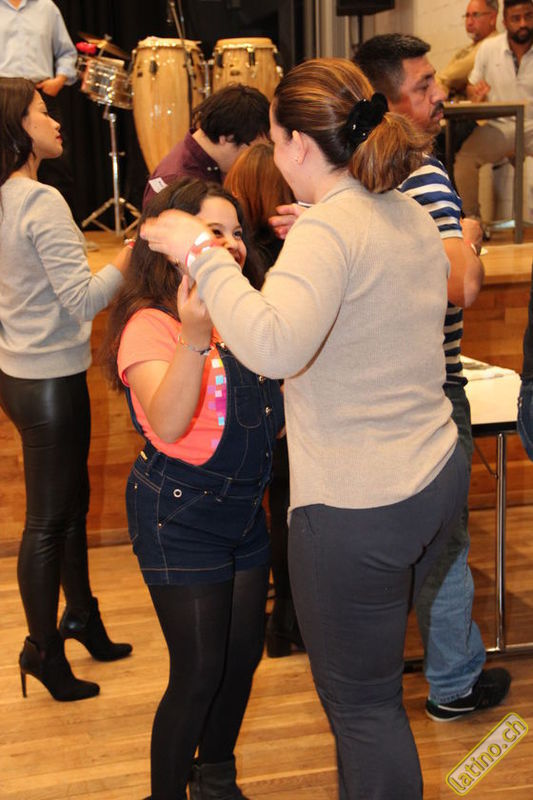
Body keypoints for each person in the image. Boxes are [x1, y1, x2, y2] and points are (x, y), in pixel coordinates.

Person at [140, 57, 471, 800]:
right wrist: (315, 237)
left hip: (362, 504)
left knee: (364, 709)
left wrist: (201, 252)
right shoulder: (400, 210)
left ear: (293, 143)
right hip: (432, 474)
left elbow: (272, 346)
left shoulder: (331, 229)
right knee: (370, 699)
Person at [103, 178, 284, 800]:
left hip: (245, 512)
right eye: (211, 232)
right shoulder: (149, 325)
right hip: (178, 514)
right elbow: (171, 422)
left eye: (235, 232)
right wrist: (194, 334)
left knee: (241, 659)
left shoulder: (249, 315)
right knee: (200, 670)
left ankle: (215, 779)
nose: (229, 244)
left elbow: (272, 417)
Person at [355, 32, 511, 722]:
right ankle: (453, 682)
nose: (439, 93)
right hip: (430, 386)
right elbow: (459, 287)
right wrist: (470, 239)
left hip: (375, 385)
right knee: (444, 541)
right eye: (422, 86)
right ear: (386, 102)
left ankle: (379, 680)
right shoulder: (422, 175)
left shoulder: (351, 176)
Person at [0, 77, 132, 702]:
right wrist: (129, 256)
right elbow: (81, 300)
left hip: (19, 377)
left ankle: (81, 616)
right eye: (41, 111)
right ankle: (42, 650)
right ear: (17, 128)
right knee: (49, 522)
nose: (55, 121)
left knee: (71, 505)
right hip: (50, 381)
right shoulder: (39, 200)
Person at [225, 143, 303, 657]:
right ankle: (290, 623)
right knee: (291, 512)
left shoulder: (236, 256)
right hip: (287, 400)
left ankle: (277, 627)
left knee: (273, 513)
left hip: (250, 402)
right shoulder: (288, 255)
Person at [454, 0, 533, 219]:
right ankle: (473, 221)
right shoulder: (489, 48)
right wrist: (475, 94)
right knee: (465, 160)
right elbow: (472, 85)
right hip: (500, 127)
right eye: (516, 18)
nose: (523, 23)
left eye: (528, 16)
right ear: (504, 21)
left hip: (531, 126)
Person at [0, 0, 78, 216]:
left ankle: (64, 223)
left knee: (58, 164)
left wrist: (60, 79)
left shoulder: (46, 7)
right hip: (4, 98)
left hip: (40, 93)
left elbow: (67, 52)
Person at [142, 84, 270, 208]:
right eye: (253, 150)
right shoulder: (177, 184)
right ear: (227, 137)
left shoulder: (211, 162)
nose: (254, 158)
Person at [437, 0, 499, 102]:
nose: (469, 22)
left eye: (475, 15)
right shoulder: (468, 48)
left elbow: (448, 77)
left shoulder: (491, 44)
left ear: (492, 18)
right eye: (467, 16)